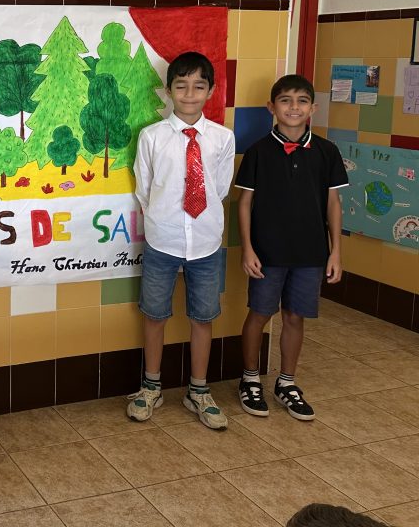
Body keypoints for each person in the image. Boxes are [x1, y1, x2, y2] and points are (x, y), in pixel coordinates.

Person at [127, 52, 235, 430]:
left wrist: (196, 218)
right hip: (162, 242)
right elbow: (144, 189)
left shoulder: (222, 138)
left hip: (206, 243)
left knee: (203, 318)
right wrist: (164, 219)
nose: (190, 94)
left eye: (198, 86)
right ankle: (151, 387)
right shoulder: (152, 137)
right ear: (169, 90)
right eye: (181, 85)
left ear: (211, 91)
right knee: (154, 315)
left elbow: (220, 188)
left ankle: (198, 391)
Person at [235, 75, 348, 421]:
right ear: (272, 107)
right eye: (285, 100)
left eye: (302, 101)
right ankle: (250, 378)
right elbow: (244, 203)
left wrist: (335, 251)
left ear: (313, 108)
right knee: (259, 313)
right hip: (267, 253)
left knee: (295, 316)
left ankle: (286, 382)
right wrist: (248, 248)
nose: (294, 107)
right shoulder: (258, 151)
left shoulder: (327, 151)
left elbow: (333, 203)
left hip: (310, 254)